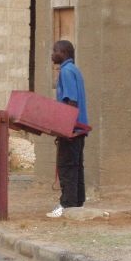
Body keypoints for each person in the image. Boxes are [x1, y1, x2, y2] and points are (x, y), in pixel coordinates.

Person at [47, 40, 89, 218]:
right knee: (76, 165)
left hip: (71, 128)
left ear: (63, 53)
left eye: (54, 50)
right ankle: (78, 202)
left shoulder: (65, 71)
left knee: (66, 166)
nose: (52, 54)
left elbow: (71, 100)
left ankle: (67, 205)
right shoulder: (75, 71)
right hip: (79, 127)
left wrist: (65, 128)